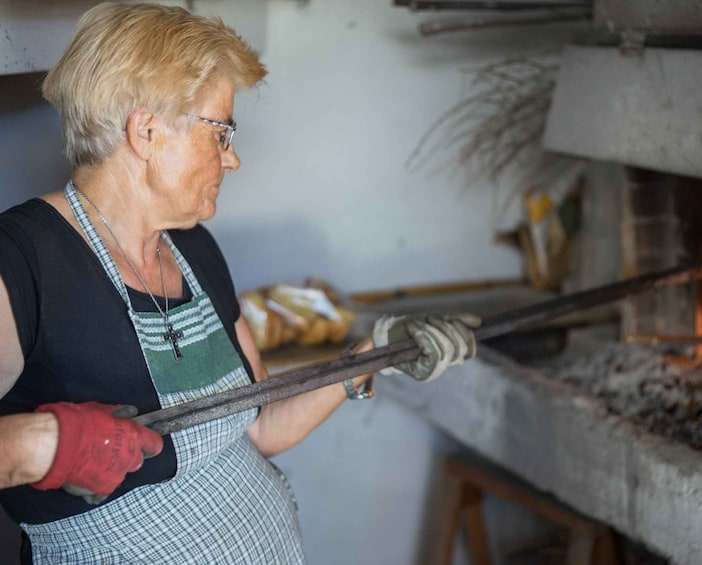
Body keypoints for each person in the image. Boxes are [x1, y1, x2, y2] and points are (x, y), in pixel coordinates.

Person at [0, 3, 480, 563]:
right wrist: (42, 446)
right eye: (221, 132)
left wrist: (375, 354)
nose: (233, 159)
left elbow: (261, 425)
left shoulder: (193, 247)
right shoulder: (23, 260)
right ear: (147, 131)